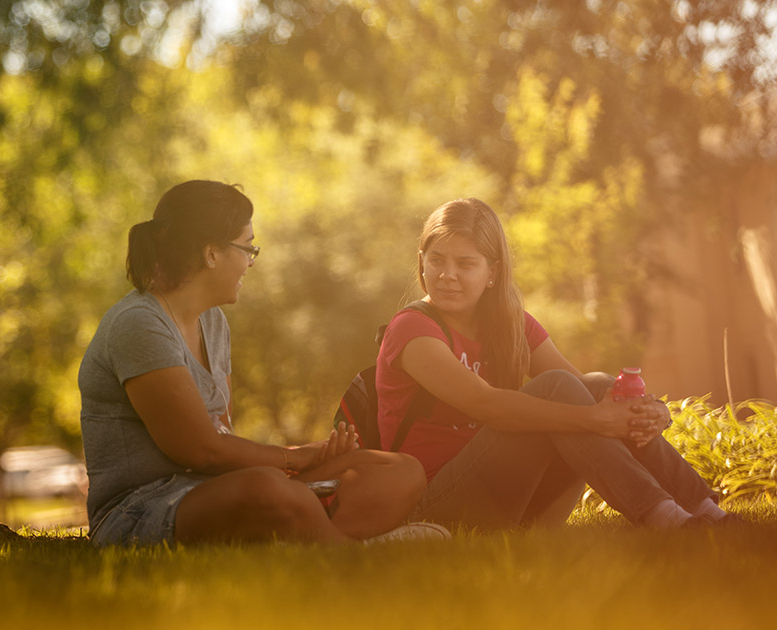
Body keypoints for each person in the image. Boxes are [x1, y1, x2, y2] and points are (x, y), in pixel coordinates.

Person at [78, 180, 441, 546]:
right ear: (211, 253)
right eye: (247, 248)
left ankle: (308, 538)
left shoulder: (213, 321)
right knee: (267, 487)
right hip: (142, 510)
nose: (250, 261)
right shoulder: (139, 324)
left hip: (212, 489)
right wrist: (295, 459)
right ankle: (350, 554)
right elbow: (197, 449)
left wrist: (310, 459)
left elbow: (221, 434)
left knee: (399, 470)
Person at [375, 198, 737, 530]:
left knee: (594, 385)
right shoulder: (413, 329)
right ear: (421, 259)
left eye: (465, 263)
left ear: (493, 272)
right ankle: (665, 518)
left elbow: (588, 393)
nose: (446, 274)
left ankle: (706, 509)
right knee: (558, 388)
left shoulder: (509, 324)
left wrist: (651, 410)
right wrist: (596, 419)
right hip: (437, 507)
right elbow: (486, 405)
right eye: (436, 259)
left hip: (513, 492)